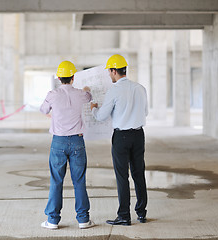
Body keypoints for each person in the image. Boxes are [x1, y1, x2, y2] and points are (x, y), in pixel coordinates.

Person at [91, 54, 148, 226]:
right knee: (139, 174)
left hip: (121, 137)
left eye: (110, 71)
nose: (109, 74)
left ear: (115, 71)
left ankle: (124, 215)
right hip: (139, 135)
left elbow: (101, 117)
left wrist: (94, 108)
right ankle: (141, 213)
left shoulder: (114, 90)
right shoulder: (140, 88)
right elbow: (145, 113)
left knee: (122, 176)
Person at [40, 60, 95, 230]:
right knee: (79, 181)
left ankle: (53, 220)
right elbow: (89, 97)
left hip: (58, 142)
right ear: (73, 77)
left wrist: (54, 115)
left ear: (58, 77)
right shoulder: (80, 94)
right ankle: (83, 219)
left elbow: (43, 110)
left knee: (56, 181)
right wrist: (86, 90)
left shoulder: (53, 94)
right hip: (77, 141)